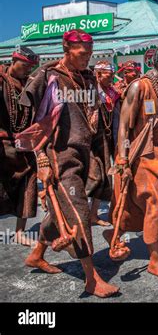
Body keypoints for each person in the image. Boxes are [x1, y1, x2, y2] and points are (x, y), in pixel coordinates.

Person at [16, 29, 119, 297]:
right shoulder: (48, 77)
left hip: (84, 153)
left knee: (62, 209)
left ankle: (37, 254)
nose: (86, 58)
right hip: (59, 156)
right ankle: (91, 277)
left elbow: (94, 117)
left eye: (89, 53)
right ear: (66, 48)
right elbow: (31, 123)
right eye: (81, 53)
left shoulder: (87, 79)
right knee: (79, 212)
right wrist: (41, 159)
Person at [103, 45, 158, 279]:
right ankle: (154, 261)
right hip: (141, 158)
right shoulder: (139, 86)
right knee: (155, 204)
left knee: (137, 204)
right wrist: (123, 160)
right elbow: (123, 128)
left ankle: (115, 234)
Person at [0, 46, 39, 246]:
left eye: (30, 67)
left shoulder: (30, 84)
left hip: (24, 142)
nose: (27, 70)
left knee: (29, 182)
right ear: (13, 61)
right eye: (24, 66)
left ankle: (20, 231)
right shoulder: (1, 78)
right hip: (2, 142)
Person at [86, 60, 121, 227]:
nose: (112, 78)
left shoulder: (112, 93)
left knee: (104, 178)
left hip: (105, 142)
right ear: (98, 75)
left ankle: (92, 214)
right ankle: (77, 213)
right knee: (91, 176)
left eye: (113, 75)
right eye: (109, 75)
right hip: (88, 143)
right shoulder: (88, 91)